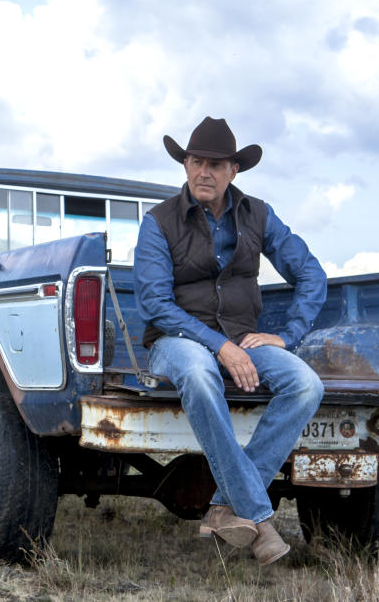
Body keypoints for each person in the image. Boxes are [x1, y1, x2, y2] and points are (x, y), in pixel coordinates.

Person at [133, 116, 327, 565]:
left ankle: (225, 506)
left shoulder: (258, 214)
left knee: (306, 385)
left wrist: (287, 335)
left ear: (233, 171)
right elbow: (156, 305)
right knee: (200, 376)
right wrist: (219, 346)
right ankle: (257, 516)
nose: (205, 172)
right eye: (197, 161)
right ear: (184, 164)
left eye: (216, 165)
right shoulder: (158, 223)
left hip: (244, 338)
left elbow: (311, 274)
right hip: (177, 339)